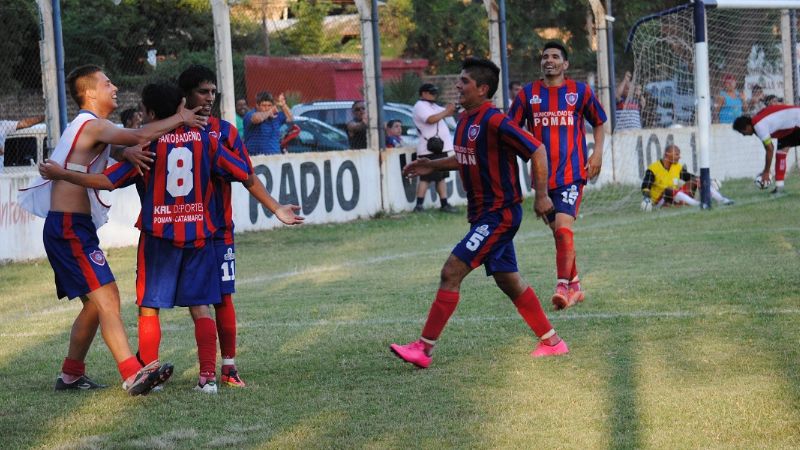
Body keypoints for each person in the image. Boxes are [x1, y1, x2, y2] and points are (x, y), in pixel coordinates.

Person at [39, 81, 253, 394]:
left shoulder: (148, 147)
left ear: (149, 112)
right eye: (106, 82)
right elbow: (242, 171)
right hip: (197, 234)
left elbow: (108, 180)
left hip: (157, 235)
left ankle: (140, 372)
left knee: (145, 307)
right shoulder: (207, 138)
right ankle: (208, 376)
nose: (113, 86)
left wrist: (63, 173)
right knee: (201, 306)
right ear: (181, 103)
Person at [17, 64, 204, 395]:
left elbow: (115, 145)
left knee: (94, 304)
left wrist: (125, 150)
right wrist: (181, 118)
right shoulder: (91, 125)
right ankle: (133, 375)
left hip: (73, 227)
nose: (114, 87)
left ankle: (71, 375)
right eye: (107, 83)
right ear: (90, 93)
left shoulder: (93, 127)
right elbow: (137, 135)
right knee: (108, 297)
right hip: (69, 228)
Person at [390, 57, 569, 369]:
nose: (458, 86)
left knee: (451, 272)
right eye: (459, 81)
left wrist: (541, 196)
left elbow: (537, 150)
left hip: (499, 214)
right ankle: (553, 342)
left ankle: (423, 349)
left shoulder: (496, 120)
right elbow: (465, 158)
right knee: (508, 281)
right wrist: (430, 164)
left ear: (483, 89)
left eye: (464, 82)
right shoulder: (465, 121)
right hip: (484, 215)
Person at [178, 65, 304, 388]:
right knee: (171, 303)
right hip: (183, 232)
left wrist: (275, 207)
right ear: (186, 94)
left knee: (222, 298)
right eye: (202, 91)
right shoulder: (169, 131)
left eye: (212, 91)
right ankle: (165, 370)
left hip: (219, 231)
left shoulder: (225, 132)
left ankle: (228, 368)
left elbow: (246, 175)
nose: (210, 98)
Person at [509, 41, 607, 311]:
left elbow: (599, 121)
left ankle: (562, 286)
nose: (548, 60)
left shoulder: (581, 91)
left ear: (565, 64)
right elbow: (510, 129)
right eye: (545, 57)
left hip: (572, 174)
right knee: (559, 235)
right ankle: (575, 286)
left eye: (555, 56)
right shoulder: (527, 95)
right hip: (542, 180)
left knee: (564, 229)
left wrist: (597, 154)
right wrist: (523, 148)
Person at [733, 104, 800, 194]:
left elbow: (770, 149)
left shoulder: (758, 125)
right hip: (789, 128)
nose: (743, 135)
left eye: (742, 132)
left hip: (796, 121)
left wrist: (766, 172)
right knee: (781, 153)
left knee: (780, 152)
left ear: (747, 127)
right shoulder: (757, 121)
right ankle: (779, 188)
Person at [640, 144, 733, 210]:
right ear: (667, 154)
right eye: (676, 154)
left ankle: (721, 199)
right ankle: (697, 204)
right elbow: (645, 186)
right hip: (660, 201)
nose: (679, 157)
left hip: (675, 197)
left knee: (696, 180)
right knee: (668, 190)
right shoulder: (653, 168)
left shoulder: (677, 167)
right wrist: (646, 198)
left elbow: (689, 177)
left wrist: (707, 179)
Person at [412, 83, 457, 213]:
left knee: (441, 177)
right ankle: (419, 205)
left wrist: (451, 108)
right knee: (426, 177)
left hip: (438, 148)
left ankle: (444, 203)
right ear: (423, 93)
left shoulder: (433, 106)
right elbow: (431, 119)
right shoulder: (420, 106)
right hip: (428, 149)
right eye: (431, 93)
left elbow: (445, 114)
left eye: (435, 93)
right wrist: (446, 111)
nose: (434, 95)